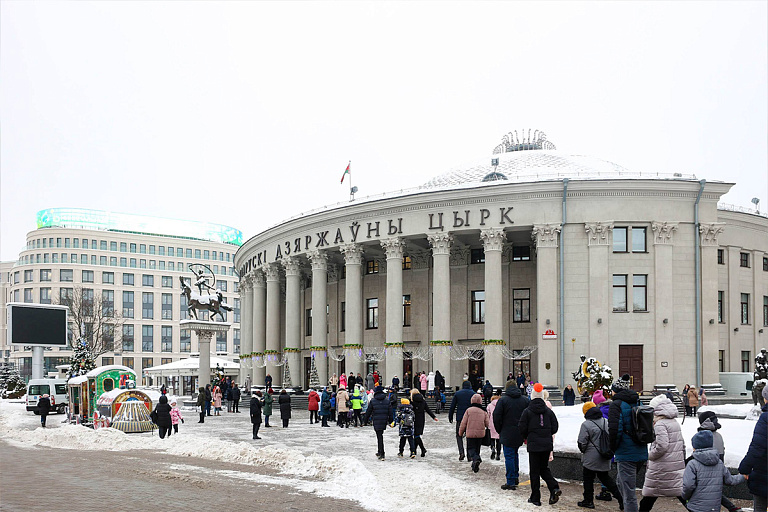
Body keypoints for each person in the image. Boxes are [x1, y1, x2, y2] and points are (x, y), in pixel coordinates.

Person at [638, 395, 686, 512]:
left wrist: (650, 456)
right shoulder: (673, 422)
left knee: (650, 495)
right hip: (674, 464)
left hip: (661, 465)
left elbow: (661, 446)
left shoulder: (660, 424)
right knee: (679, 492)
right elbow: (682, 444)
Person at [608, 375, 648, 512]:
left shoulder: (616, 405)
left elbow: (614, 431)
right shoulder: (638, 402)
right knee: (621, 483)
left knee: (629, 492)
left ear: (616, 390)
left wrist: (611, 449)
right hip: (641, 451)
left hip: (626, 454)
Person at [519, 383, 561, 506]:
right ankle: (554, 488)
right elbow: (555, 427)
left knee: (535, 471)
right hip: (546, 444)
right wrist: (546, 434)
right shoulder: (548, 411)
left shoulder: (527, 411)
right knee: (544, 468)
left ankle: (535, 497)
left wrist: (527, 436)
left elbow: (522, 427)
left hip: (533, 445)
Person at [577, 402, 623, 510]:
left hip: (590, 458)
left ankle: (588, 501)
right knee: (606, 479)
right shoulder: (606, 421)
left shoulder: (586, 424)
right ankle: (621, 499)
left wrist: (584, 451)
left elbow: (581, 442)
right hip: (604, 455)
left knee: (588, 479)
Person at [684, 431, 745, 512]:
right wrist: (742, 477)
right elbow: (730, 480)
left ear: (695, 447)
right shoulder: (719, 463)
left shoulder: (692, 464)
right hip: (714, 508)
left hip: (695, 507)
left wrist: (685, 497)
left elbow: (688, 486)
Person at [698, 411, 741, 512]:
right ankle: (732, 507)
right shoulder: (718, 435)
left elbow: (700, 455)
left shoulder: (704, 436)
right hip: (718, 468)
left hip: (706, 470)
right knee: (715, 491)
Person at [738, 385, 767, 512]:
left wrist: (745, 468)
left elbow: (757, 447)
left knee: (760, 507)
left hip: (764, 473)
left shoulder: (765, 418)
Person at [591, 389, 615, 502]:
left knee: (604, 472)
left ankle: (606, 491)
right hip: (614, 444)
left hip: (604, 445)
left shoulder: (600, 412)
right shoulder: (611, 408)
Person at [459, 393, 489, 473]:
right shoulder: (483, 411)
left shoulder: (469, 410)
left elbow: (463, 423)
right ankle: (475, 465)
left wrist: (460, 432)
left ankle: (476, 459)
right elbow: (487, 423)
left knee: (470, 449)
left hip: (470, 433)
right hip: (480, 434)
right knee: (477, 449)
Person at [449, 380, 476, 461]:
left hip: (460, 418)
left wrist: (450, 416)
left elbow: (452, 406)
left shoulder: (458, 393)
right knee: (469, 436)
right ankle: (469, 455)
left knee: (459, 435)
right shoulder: (473, 394)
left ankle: (461, 452)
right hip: (470, 418)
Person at [365, 386, 392, 460]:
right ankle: (379, 451)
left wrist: (365, 421)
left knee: (379, 436)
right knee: (380, 435)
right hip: (384, 420)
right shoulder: (387, 400)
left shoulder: (373, 401)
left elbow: (368, 411)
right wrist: (391, 421)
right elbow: (390, 411)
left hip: (376, 420)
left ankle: (382, 453)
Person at [410, 388, 438, 457]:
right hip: (421, 419)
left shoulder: (411, 401)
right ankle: (414, 451)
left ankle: (422, 449)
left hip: (413, 419)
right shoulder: (423, 401)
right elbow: (428, 409)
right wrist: (434, 417)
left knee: (416, 435)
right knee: (417, 435)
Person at [486, 393, 501, 461]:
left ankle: (492, 448)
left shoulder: (489, 405)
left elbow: (488, 415)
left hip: (491, 424)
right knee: (499, 440)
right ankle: (498, 454)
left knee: (492, 439)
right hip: (499, 424)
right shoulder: (501, 405)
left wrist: (487, 423)